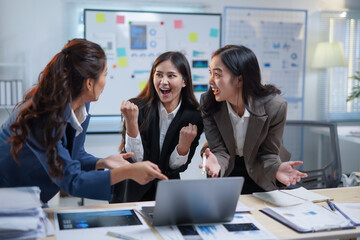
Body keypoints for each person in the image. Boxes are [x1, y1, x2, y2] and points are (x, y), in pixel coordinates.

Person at [0, 38, 167, 204]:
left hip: (29, 195)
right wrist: (128, 172)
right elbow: (71, 180)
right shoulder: (41, 118)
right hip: (8, 195)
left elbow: (74, 152)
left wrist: (101, 162)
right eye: (105, 74)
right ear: (89, 83)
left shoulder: (81, 106)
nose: (105, 82)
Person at [199, 45, 307, 194]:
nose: (211, 81)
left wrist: (276, 169)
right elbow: (219, 150)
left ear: (239, 79)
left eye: (217, 75)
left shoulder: (274, 106)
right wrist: (216, 162)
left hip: (261, 169)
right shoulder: (208, 102)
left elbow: (268, 153)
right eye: (210, 73)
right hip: (228, 170)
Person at [112, 51, 204, 202]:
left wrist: (183, 146)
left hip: (169, 193)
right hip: (132, 190)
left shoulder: (194, 116)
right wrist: (131, 124)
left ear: (184, 81)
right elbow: (136, 160)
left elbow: (175, 168)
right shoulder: (136, 108)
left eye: (171, 75)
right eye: (159, 74)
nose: (163, 81)